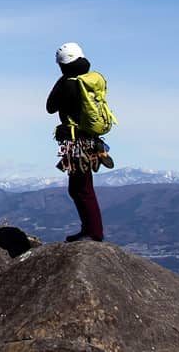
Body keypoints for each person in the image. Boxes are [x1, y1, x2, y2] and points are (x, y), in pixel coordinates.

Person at [46, 42, 110, 242]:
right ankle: (89, 230)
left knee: (81, 189)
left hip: (76, 142)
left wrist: (61, 81)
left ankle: (94, 233)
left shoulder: (68, 83)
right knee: (81, 187)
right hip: (90, 140)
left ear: (62, 64)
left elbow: (50, 107)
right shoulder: (90, 80)